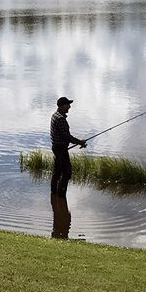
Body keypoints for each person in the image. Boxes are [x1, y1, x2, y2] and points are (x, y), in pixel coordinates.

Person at [50, 96, 87, 239]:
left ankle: (55, 198)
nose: (69, 107)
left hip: (56, 148)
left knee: (56, 173)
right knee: (67, 173)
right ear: (62, 105)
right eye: (68, 105)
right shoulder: (61, 119)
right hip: (60, 150)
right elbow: (67, 137)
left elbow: (63, 137)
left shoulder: (55, 115)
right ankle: (61, 197)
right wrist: (80, 142)